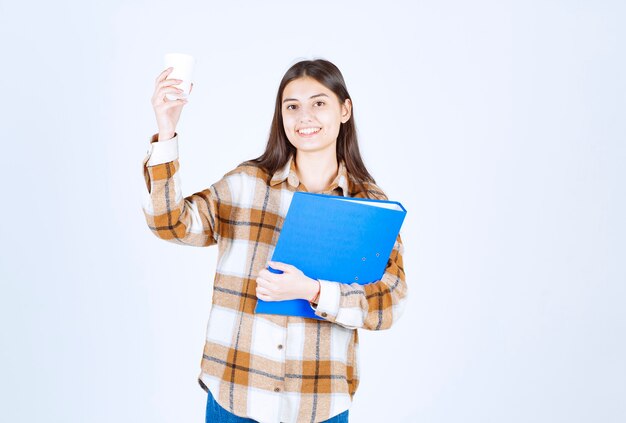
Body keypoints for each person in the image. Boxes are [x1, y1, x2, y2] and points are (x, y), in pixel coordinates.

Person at [142, 58, 407, 423]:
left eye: (319, 103)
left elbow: (389, 302)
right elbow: (170, 223)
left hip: (318, 404)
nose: (305, 117)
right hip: (235, 394)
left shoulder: (371, 206)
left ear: (344, 110)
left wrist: (314, 290)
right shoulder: (245, 185)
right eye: (292, 107)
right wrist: (167, 132)